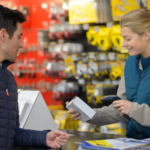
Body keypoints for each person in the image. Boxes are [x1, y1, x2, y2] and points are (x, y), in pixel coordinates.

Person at [67, 9, 150, 139]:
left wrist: (133, 109)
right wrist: (90, 115)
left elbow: (129, 108)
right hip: (135, 142)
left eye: (128, 38)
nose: (123, 44)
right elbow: (122, 109)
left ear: (146, 35)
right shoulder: (130, 62)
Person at [0, 5, 69, 150]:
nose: (22, 44)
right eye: (19, 37)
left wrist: (44, 138)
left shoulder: (8, 79)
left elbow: (11, 135)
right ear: (3, 35)